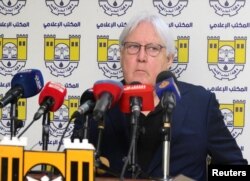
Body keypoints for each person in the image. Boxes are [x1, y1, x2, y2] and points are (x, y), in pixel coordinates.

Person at [72, 11, 248, 181]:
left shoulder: (201, 104)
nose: (141, 57)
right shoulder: (97, 102)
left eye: (153, 49)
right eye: (133, 47)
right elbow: (72, 168)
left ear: (169, 59)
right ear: (121, 54)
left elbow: (235, 169)